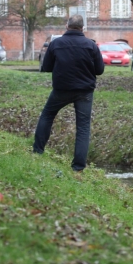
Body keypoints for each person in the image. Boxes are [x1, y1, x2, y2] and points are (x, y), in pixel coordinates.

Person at [33, 14, 104, 172]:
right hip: (85, 91)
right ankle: (78, 167)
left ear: (67, 26)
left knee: (47, 115)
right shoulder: (91, 45)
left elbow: (46, 67)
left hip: (61, 89)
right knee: (83, 127)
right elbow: (99, 70)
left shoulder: (56, 44)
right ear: (83, 28)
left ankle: (37, 151)